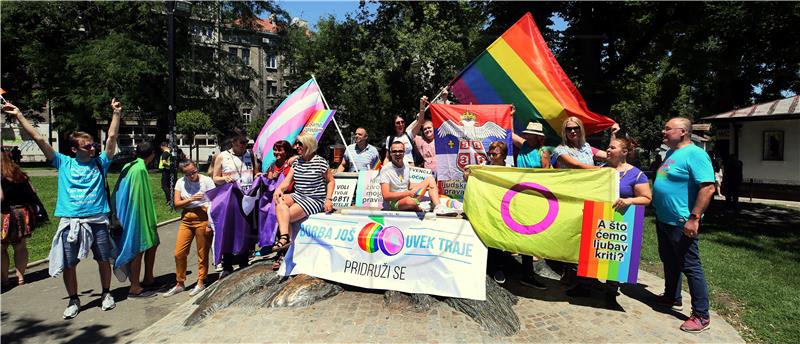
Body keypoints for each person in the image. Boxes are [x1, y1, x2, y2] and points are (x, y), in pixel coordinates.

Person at [4, 99, 121, 319]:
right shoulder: (63, 163)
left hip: (97, 221)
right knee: (69, 264)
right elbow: (39, 138)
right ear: (75, 149)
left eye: (93, 144)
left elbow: (112, 138)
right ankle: (74, 299)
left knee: (103, 259)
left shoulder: (101, 163)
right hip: (70, 223)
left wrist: (116, 114)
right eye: (87, 146)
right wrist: (19, 115)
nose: (93, 147)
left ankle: (106, 293)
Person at [652, 117, 716, 333]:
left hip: (682, 222)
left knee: (691, 267)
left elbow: (707, 188)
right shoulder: (671, 153)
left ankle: (701, 315)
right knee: (669, 260)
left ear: (683, 132)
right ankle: (672, 296)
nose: (663, 132)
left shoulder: (696, 154)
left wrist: (694, 217)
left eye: (668, 129)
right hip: (664, 220)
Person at [272, 134, 335, 268]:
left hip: (314, 198)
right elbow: (287, 181)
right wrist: (279, 189)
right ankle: (285, 238)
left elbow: (330, 181)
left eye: (300, 144)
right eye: (297, 144)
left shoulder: (320, 162)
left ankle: (284, 246)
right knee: (280, 201)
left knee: (286, 214)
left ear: (308, 145)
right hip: (299, 195)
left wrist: (328, 199)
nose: (296, 147)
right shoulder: (296, 162)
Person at [603, 137, 652, 306]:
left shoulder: (637, 174)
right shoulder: (601, 169)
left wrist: (629, 200)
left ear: (624, 152)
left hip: (621, 221)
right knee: (597, 251)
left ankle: (611, 291)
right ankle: (587, 285)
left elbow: (646, 198)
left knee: (615, 256)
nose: (608, 150)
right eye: (608, 147)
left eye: (612, 147)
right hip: (600, 218)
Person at [163, 160, 216, 297]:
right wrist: (191, 199)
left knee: (202, 252)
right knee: (179, 253)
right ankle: (180, 282)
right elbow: (176, 204)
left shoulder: (207, 181)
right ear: (184, 174)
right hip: (186, 218)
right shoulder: (180, 182)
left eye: (194, 171)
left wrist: (210, 224)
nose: (193, 175)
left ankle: (201, 281)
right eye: (189, 174)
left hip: (203, 217)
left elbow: (214, 202)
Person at [113, 142, 159, 298]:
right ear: (152, 154)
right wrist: (145, 219)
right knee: (138, 248)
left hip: (127, 212)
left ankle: (148, 278)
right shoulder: (139, 169)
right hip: (136, 215)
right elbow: (139, 197)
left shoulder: (130, 165)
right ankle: (135, 286)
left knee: (153, 244)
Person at [212, 133, 258, 278]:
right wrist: (224, 178)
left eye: (246, 143)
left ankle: (244, 261)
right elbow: (215, 178)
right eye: (241, 143)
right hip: (230, 197)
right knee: (229, 230)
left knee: (245, 229)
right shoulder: (222, 156)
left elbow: (255, 172)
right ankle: (227, 264)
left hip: (247, 197)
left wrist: (259, 177)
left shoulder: (250, 155)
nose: (244, 146)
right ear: (233, 142)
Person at [379, 141, 451, 214]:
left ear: (404, 152)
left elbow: (407, 184)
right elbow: (386, 195)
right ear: (390, 153)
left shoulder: (406, 165)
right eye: (394, 151)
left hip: (409, 195)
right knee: (409, 202)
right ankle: (420, 209)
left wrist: (427, 186)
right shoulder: (386, 169)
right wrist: (408, 193)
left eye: (400, 151)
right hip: (396, 202)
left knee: (430, 179)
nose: (397, 153)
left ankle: (438, 207)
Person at [1, 154, 40, 288]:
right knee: (20, 247)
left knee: (2, 248)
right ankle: (20, 277)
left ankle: (4, 280)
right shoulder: (18, 173)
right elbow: (33, 190)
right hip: (21, 213)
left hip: (4, 214)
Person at [383, 97, 426, 167]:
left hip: (410, 169)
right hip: (395, 170)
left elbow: (420, 121)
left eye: (402, 122)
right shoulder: (390, 138)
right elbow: (387, 157)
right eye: (398, 123)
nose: (400, 124)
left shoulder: (409, 134)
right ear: (394, 124)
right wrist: (384, 170)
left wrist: (422, 107)